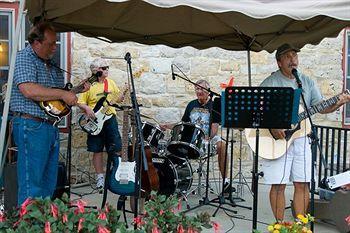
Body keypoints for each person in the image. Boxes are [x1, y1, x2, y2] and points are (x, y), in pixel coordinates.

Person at [261, 43, 350, 222]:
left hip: (302, 139)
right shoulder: (271, 82)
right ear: (279, 62)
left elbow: (320, 107)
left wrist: (338, 102)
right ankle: (280, 226)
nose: (293, 59)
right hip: (277, 140)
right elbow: (258, 109)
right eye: (288, 56)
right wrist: (272, 126)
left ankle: (300, 225)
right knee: (278, 184)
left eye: (295, 55)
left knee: (303, 183)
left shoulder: (306, 81)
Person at [10, 22, 89, 205]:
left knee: (48, 184)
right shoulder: (24, 58)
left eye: (56, 43)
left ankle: (44, 224)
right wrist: (63, 93)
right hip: (31, 125)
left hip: (48, 126)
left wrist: (75, 90)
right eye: (51, 43)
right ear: (36, 43)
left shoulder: (51, 65)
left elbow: (53, 98)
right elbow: (29, 90)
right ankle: (29, 225)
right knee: (32, 184)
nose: (55, 48)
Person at [162, 79, 233, 194]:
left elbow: (214, 127)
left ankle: (226, 182)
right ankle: (175, 182)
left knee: (222, 145)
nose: (199, 91)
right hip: (192, 138)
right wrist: (167, 126)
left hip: (208, 137)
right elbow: (182, 124)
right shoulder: (191, 104)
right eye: (197, 89)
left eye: (201, 89)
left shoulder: (214, 105)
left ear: (208, 91)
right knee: (172, 145)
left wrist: (207, 137)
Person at [77, 58, 126, 193]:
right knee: (97, 149)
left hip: (110, 118)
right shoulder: (88, 85)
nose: (107, 70)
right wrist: (87, 109)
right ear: (97, 70)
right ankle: (100, 178)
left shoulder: (110, 83)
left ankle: (116, 175)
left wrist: (121, 97)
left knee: (117, 147)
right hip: (95, 121)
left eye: (107, 67)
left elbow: (117, 99)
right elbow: (79, 102)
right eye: (104, 68)